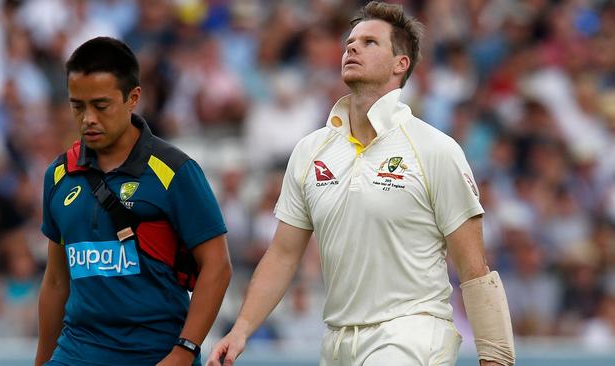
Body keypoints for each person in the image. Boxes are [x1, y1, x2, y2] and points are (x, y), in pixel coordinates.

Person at [207, 2, 514, 366]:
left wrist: (497, 358)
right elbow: (283, 254)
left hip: (412, 335)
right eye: (350, 41)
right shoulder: (311, 150)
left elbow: (474, 268)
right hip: (337, 342)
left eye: (370, 42)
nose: (351, 47)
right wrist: (242, 328)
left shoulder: (436, 149)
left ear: (401, 64)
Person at [35, 37, 232, 366]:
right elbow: (56, 280)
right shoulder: (58, 175)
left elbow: (218, 265)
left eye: (101, 105)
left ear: (133, 98)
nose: (88, 119)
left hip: (156, 353)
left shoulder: (174, 171)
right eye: (77, 106)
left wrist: (184, 351)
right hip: (78, 351)